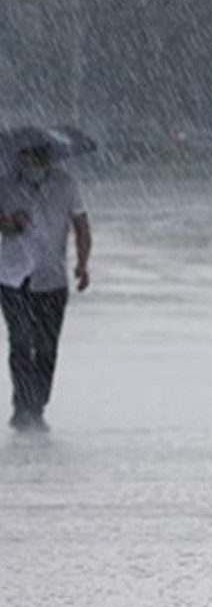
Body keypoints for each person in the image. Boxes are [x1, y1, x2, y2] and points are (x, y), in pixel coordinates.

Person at [0, 130, 92, 433]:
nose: (32, 162)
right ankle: (22, 407)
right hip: (12, 277)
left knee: (47, 345)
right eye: (26, 156)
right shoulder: (6, 185)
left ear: (48, 157)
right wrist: (9, 223)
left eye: (38, 156)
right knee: (21, 341)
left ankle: (37, 404)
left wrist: (82, 263)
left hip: (52, 277)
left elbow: (81, 224)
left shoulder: (66, 185)